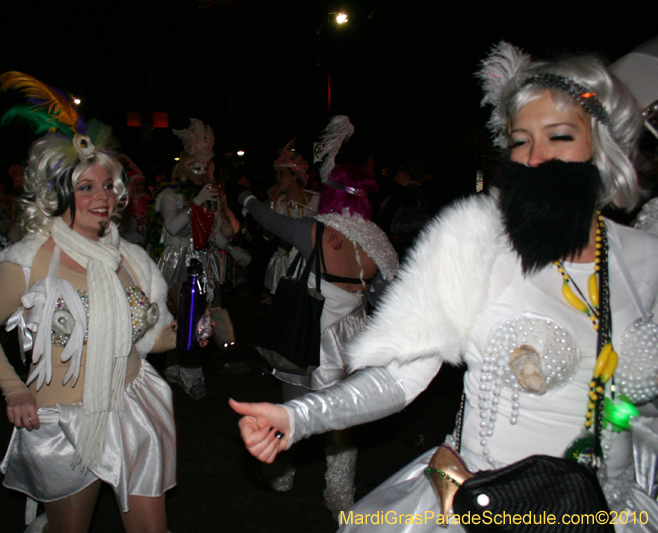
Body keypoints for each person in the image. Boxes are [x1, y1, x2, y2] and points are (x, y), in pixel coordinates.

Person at [231, 42, 658, 531]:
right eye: (520, 141)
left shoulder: (645, 259)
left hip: (608, 512)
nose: (534, 157)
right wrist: (299, 418)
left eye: (558, 137)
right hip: (483, 503)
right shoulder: (474, 242)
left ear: (603, 146)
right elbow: (399, 376)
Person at [0, 72, 176, 533]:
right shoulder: (29, 261)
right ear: (58, 193)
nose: (102, 198)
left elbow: (152, 338)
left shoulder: (131, 258)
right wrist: (13, 388)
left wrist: (192, 329)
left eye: (107, 186)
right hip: (65, 423)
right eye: (86, 188)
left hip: (133, 408)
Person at [239, 116, 399, 517]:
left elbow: (269, 220)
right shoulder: (377, 243)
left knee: (292, 407)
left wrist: (244, 198)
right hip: (356, 339)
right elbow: (386, 298)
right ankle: (340, 491)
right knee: (343, 421)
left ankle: (282, 473)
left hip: (312, 333)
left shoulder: (315, 231)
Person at [149, 119, 249, 399]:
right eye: (194, 167)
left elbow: (213, 234)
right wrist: (196, 202)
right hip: (177, 261)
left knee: (199, 316)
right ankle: (191, 374)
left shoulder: (210, 196)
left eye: (204, 167)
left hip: (202, 261)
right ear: (183, 167)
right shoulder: (170, 194)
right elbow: (171, 227)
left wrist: (233, 250)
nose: (200, 172)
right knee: (187, 317)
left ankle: (176, 365)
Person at [262, 139, 320, 302]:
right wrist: (272, 203)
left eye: (283, 173)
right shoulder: (277, 202)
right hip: (283, 268)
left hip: (309, 266)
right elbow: (267, 236)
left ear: (295, 175)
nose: (278, 178)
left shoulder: (316, 201)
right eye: (277, 173)